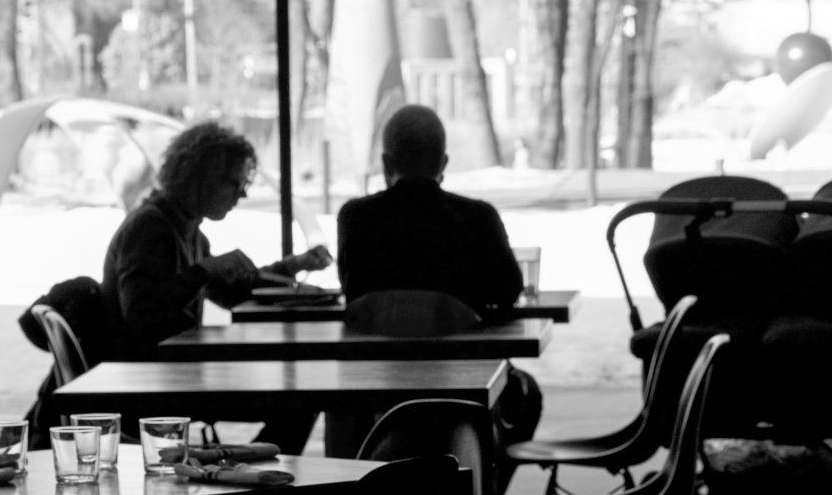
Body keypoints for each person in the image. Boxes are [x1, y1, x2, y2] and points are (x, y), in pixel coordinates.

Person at [101, 121, 331, 363]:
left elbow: (227, 291)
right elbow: (141, 317)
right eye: (235, 183)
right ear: (202, 179)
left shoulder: (188, 232)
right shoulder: (149, 228)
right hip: (146, 381)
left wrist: (294, 264)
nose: (243, 194)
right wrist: (204, 271)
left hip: (167, 371)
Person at [335, 105, 523, 314]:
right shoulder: (479, 218)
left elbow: (353, 292)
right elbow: (509, 291)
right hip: (460, 346)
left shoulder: (356, 218)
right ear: (443, 163)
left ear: (387, 163)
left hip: (377, 346)